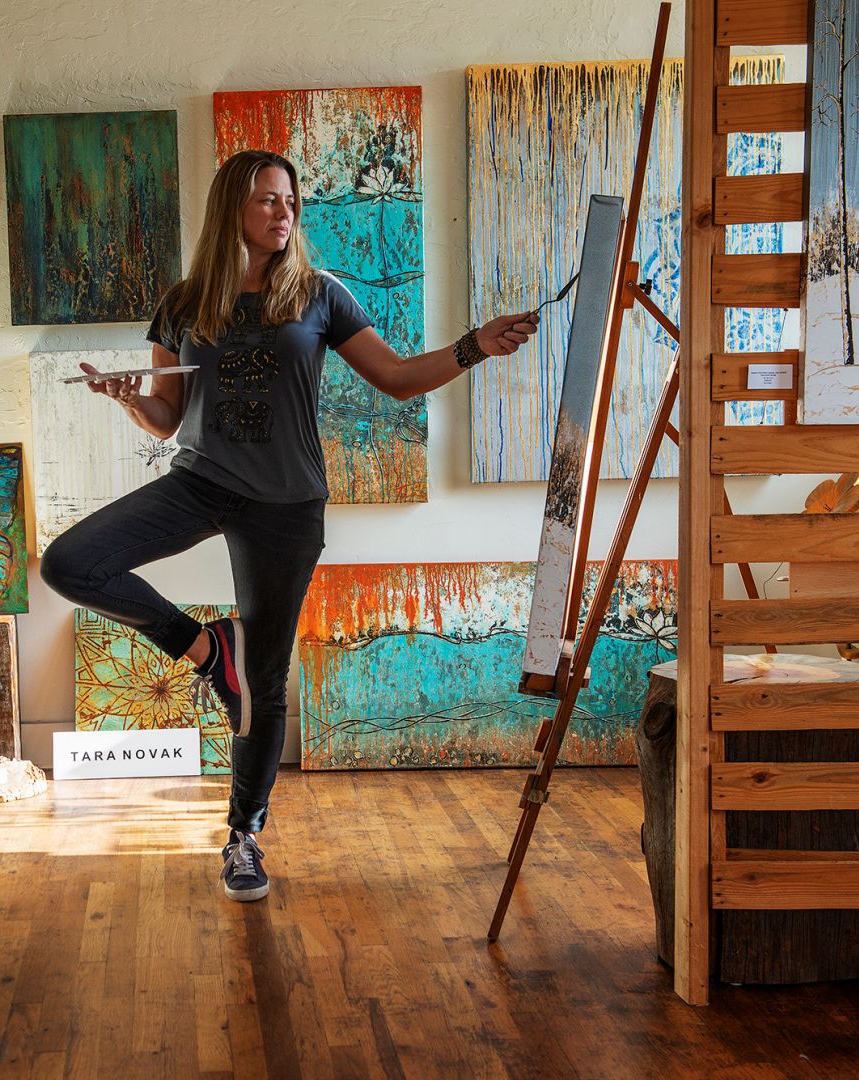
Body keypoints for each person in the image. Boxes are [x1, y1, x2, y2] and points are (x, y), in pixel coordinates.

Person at [40, 149, 538, 902]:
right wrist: (130, 399)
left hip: (287, 505)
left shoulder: (318, 293)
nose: (285, 213)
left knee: (264, 684)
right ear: (232, 209)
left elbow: (398, 379)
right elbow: (167, 419)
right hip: (200, 482)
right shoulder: (183, 303)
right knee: (70, 564)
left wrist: (477, 345)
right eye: (268, 200)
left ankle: (242, 838)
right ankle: (210, 649)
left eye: (289, 201)